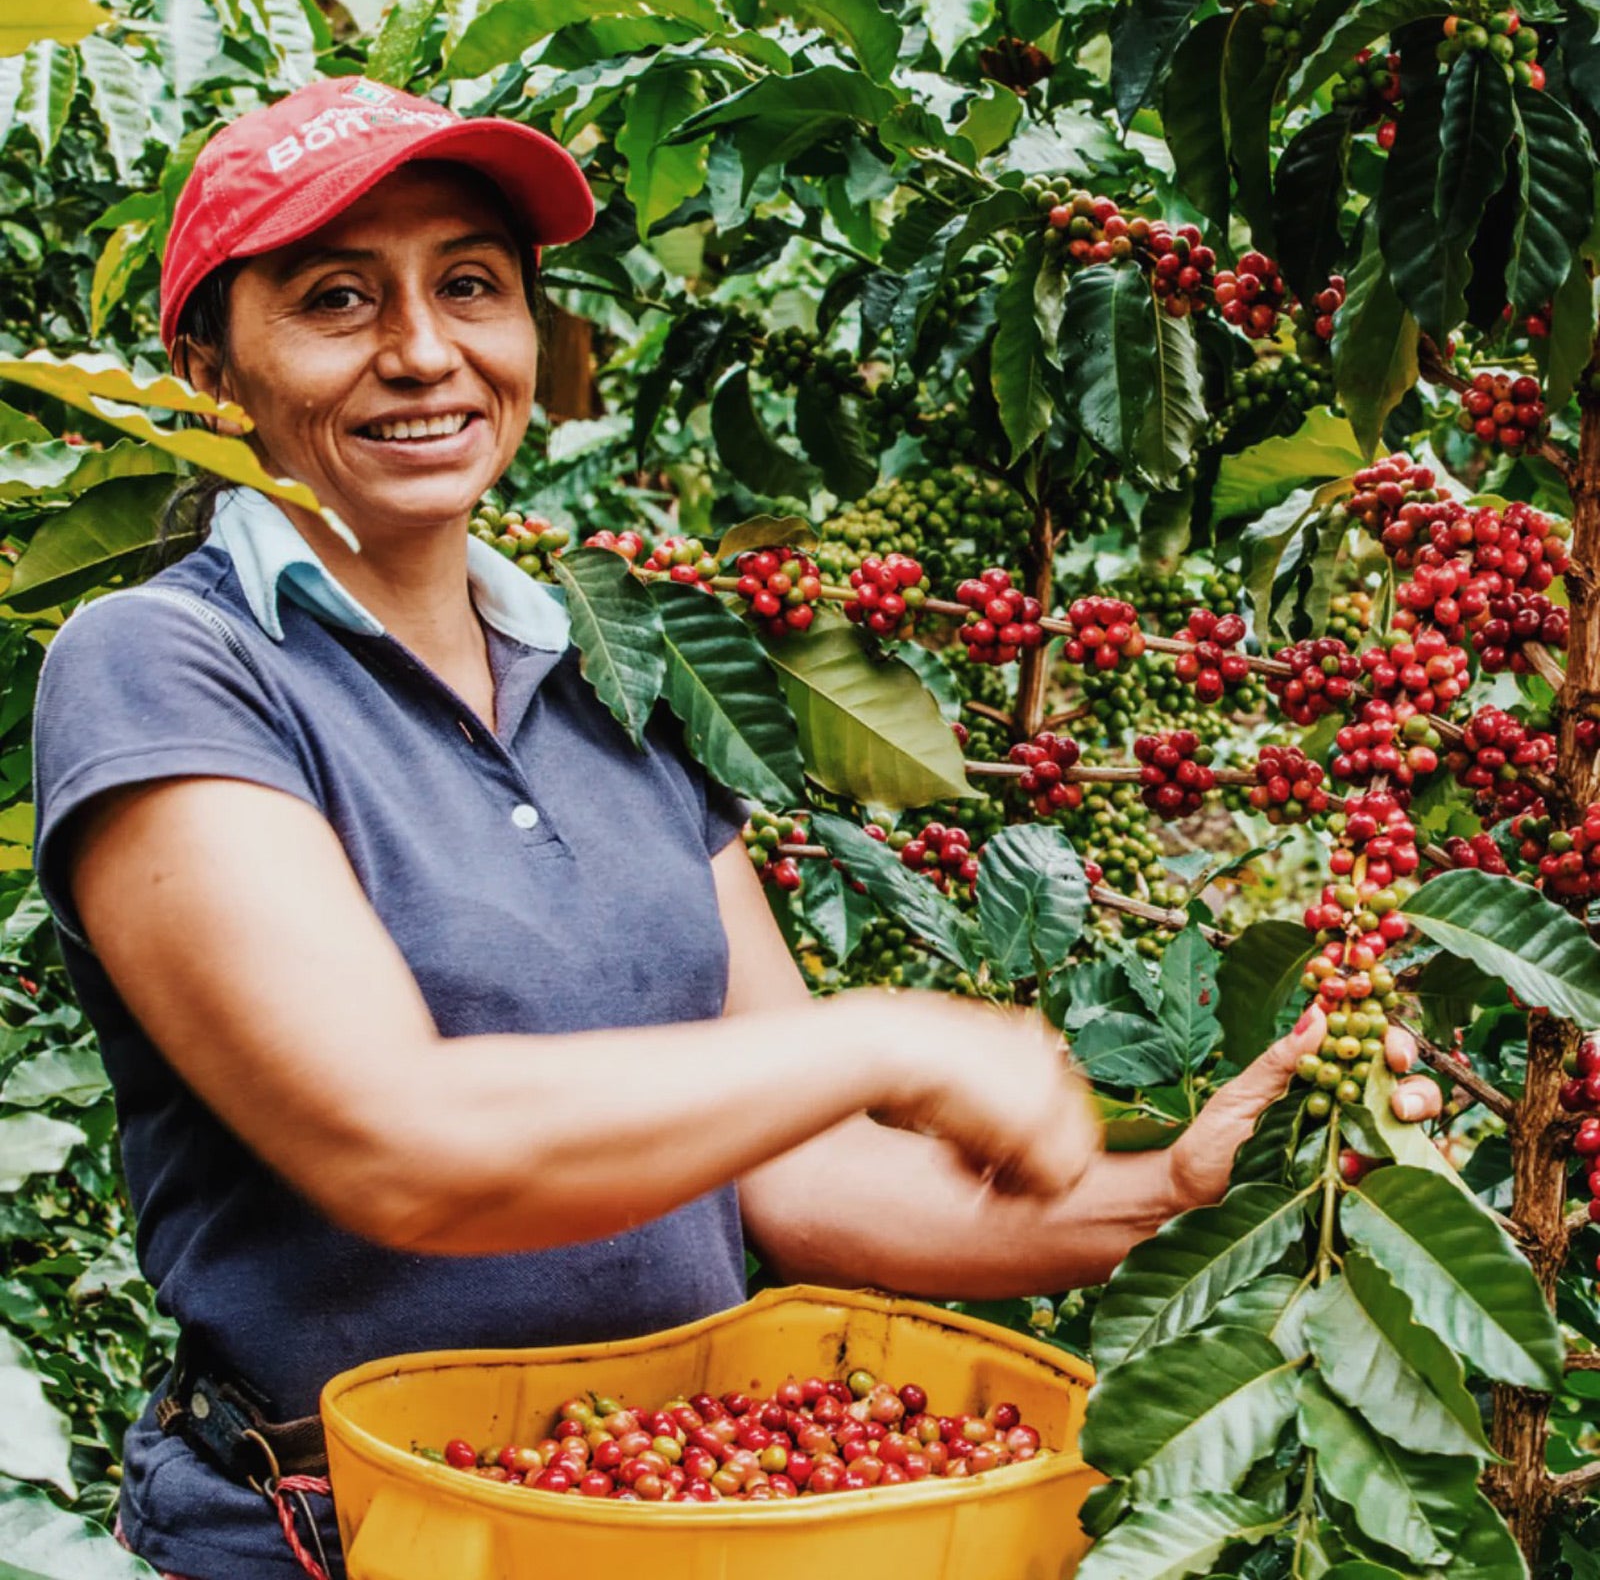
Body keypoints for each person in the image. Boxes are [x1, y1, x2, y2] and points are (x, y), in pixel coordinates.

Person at [30, 78, 1432, 1580]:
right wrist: (887, 1039)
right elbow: (395, 1141)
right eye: (334, 299)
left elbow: (796, 1176)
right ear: (209, 366)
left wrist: (1170, 1188)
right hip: (352, 1533)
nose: (425, 351)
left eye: (472, 287)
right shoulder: (168, 665)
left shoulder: (609, 682)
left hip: (671, 1512)